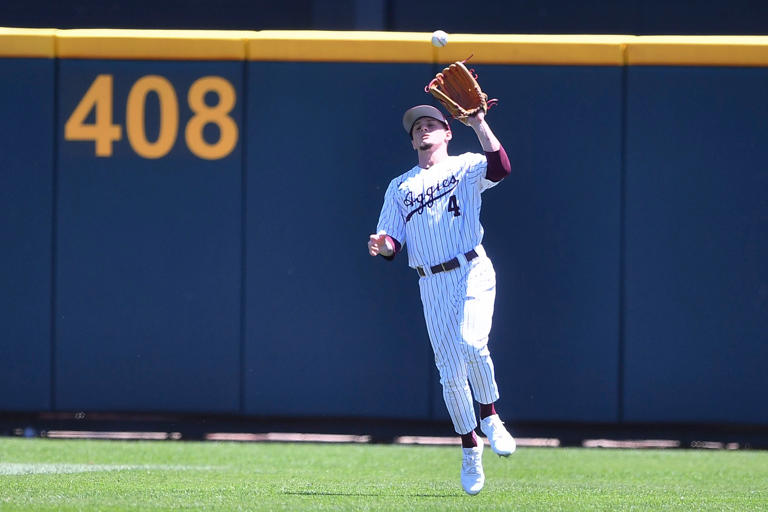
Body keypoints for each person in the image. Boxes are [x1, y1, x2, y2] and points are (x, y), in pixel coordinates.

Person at [368, 105, 516, 495]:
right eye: (417, 127)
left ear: (448, 133)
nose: (423, 130)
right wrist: (382, 245)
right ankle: (470, 447)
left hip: (471, 269)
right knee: (450, 376)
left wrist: (480, 122)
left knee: (472, 342)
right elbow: (391, 242)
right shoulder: (400, 186)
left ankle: (491, 417)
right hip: (430, 282)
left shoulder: (466, 166)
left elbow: (500, 168)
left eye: (431, 124)